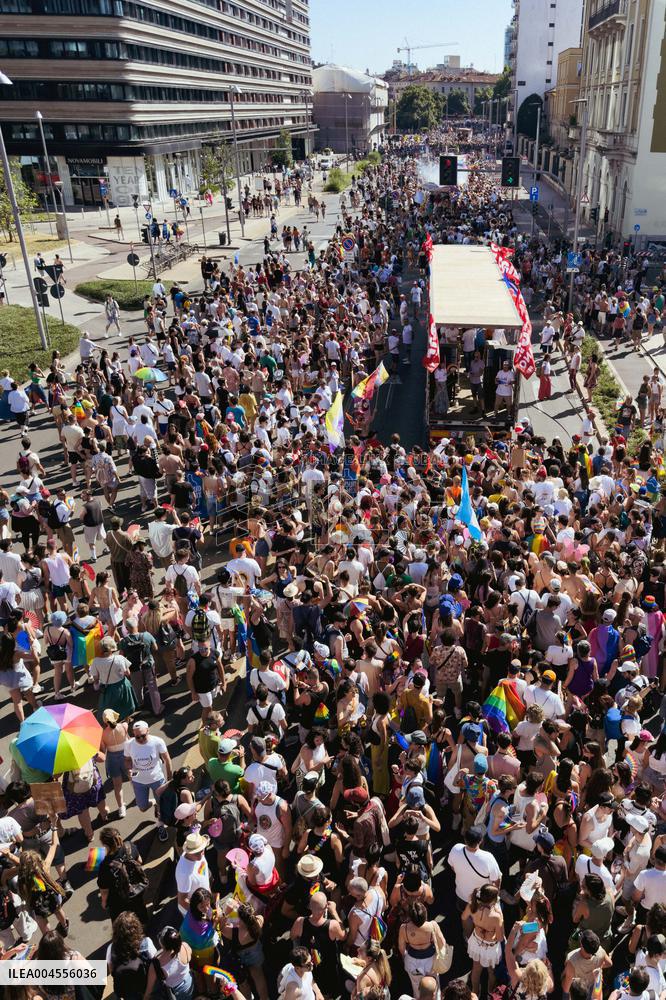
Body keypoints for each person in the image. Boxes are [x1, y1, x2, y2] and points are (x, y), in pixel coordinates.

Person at [124, 719, 172, 840]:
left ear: (148, 731)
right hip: (138, 781)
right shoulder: (129, 744)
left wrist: (170, 778)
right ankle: (154, 803)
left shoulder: (157, 741)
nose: (140, 739)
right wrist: (129, 771)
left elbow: (167, 759)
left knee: (162, 805)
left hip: (157, 779)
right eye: (137, 737)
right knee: (142, 807)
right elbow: (127, 760)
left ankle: (160, 825)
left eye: (143, 736)